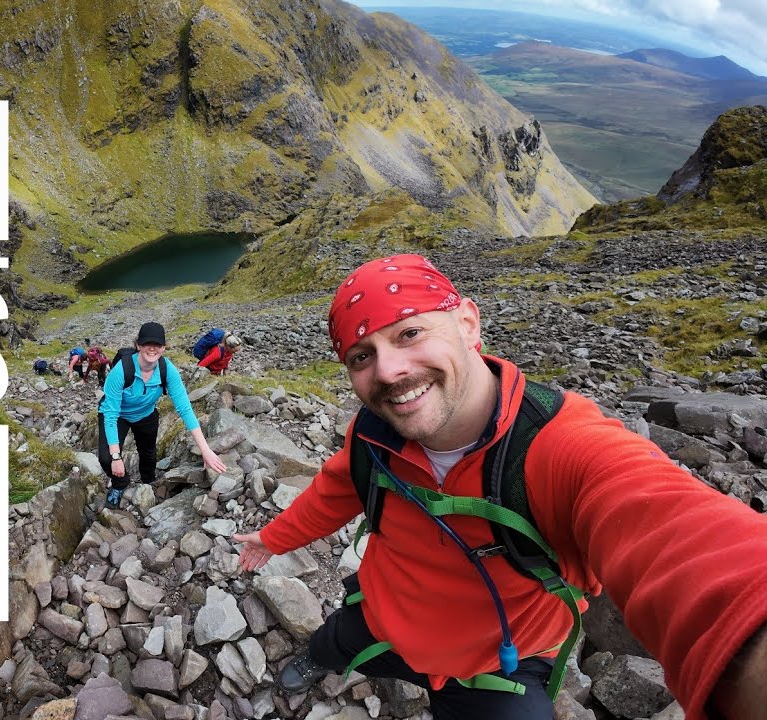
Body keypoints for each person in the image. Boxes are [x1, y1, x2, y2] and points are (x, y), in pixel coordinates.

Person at [232, 254, 767, 720]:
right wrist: (271, 540)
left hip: (498, 668)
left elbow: (676, 533)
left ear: (467, 323)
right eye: (361, 356)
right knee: (334, 638)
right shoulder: (373, 434)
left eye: (409, 333)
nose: (389, 371)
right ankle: (319, 658)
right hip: (382, 619)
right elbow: (333, 492)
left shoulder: (563, 448)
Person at [98, 322, 228, 509]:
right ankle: (120, 484)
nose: (152, 348)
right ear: (138, 345)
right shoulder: (121, 371)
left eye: (157, 344)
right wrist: (117, 458)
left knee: (148, 454)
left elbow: (185, 409)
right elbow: (110, 415)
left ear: (163, 347)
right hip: (118, 416)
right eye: (147, 343)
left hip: (146, 414)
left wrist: (206, 450)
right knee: (107, 458)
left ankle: (148, 482)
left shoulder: (167, 370)